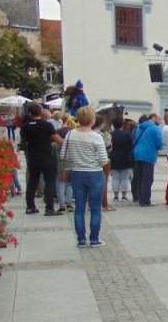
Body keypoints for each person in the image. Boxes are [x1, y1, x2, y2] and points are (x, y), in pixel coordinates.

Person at [61, 106, 110, 247]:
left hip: (77, 173)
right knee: (95, 207)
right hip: (95, 173)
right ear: (93, 119)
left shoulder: (70, 134)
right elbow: (104, 160)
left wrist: (76, 159)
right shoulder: (97, 137)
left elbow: (64, 155)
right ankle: (94, 239)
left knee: (80, 207)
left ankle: (81, 239)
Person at [20, 101, 65, 216]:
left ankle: (30, 207)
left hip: (33, 157)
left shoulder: (25, 126)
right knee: (50, 182)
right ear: (41, 112)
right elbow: (58, 140)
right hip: (47, 157)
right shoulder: (46, 125)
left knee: (32, 182)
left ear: (29, 113)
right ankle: (49, 208)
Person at [133, 112, 164, 207]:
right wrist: (160, 147)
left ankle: (140, 197)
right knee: (148, 179)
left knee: (140, 177)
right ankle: (145, 201)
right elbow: (159, 143)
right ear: (153, 118)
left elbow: (135, 138)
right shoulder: (155, 128)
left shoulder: (139, 127)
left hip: (137, 153)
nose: (160, 121)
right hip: (148, 154)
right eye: (159, 119)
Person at [109, 116, 135, 203]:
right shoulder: (127, 134)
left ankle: (116, 196)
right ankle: (124, 196)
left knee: (115, 178)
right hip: (125, 159)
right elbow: (130, 146)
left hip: (113, 159)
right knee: (125, 178)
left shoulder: (110, 135)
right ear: (122, 124)